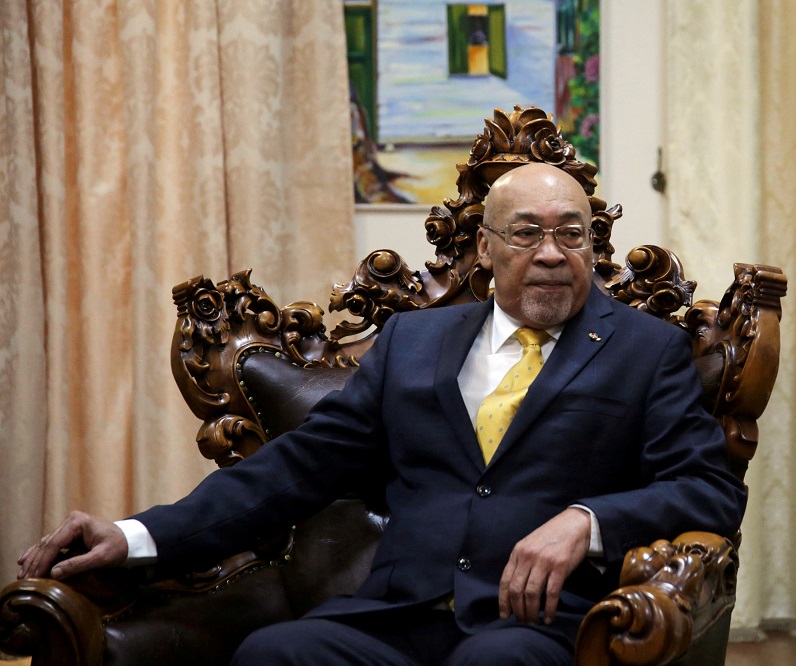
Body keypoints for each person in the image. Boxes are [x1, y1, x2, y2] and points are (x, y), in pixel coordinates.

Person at [18, 162, 747, 665]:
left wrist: (587, 521)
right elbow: (294, 469)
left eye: (572, 233)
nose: (552, 253)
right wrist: (135, 535)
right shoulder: (413, 343)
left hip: (534, 625)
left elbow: (709, 489)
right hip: (391, 618)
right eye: (527, 233)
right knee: (278, 653)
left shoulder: (646, 350)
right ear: (486, 247)